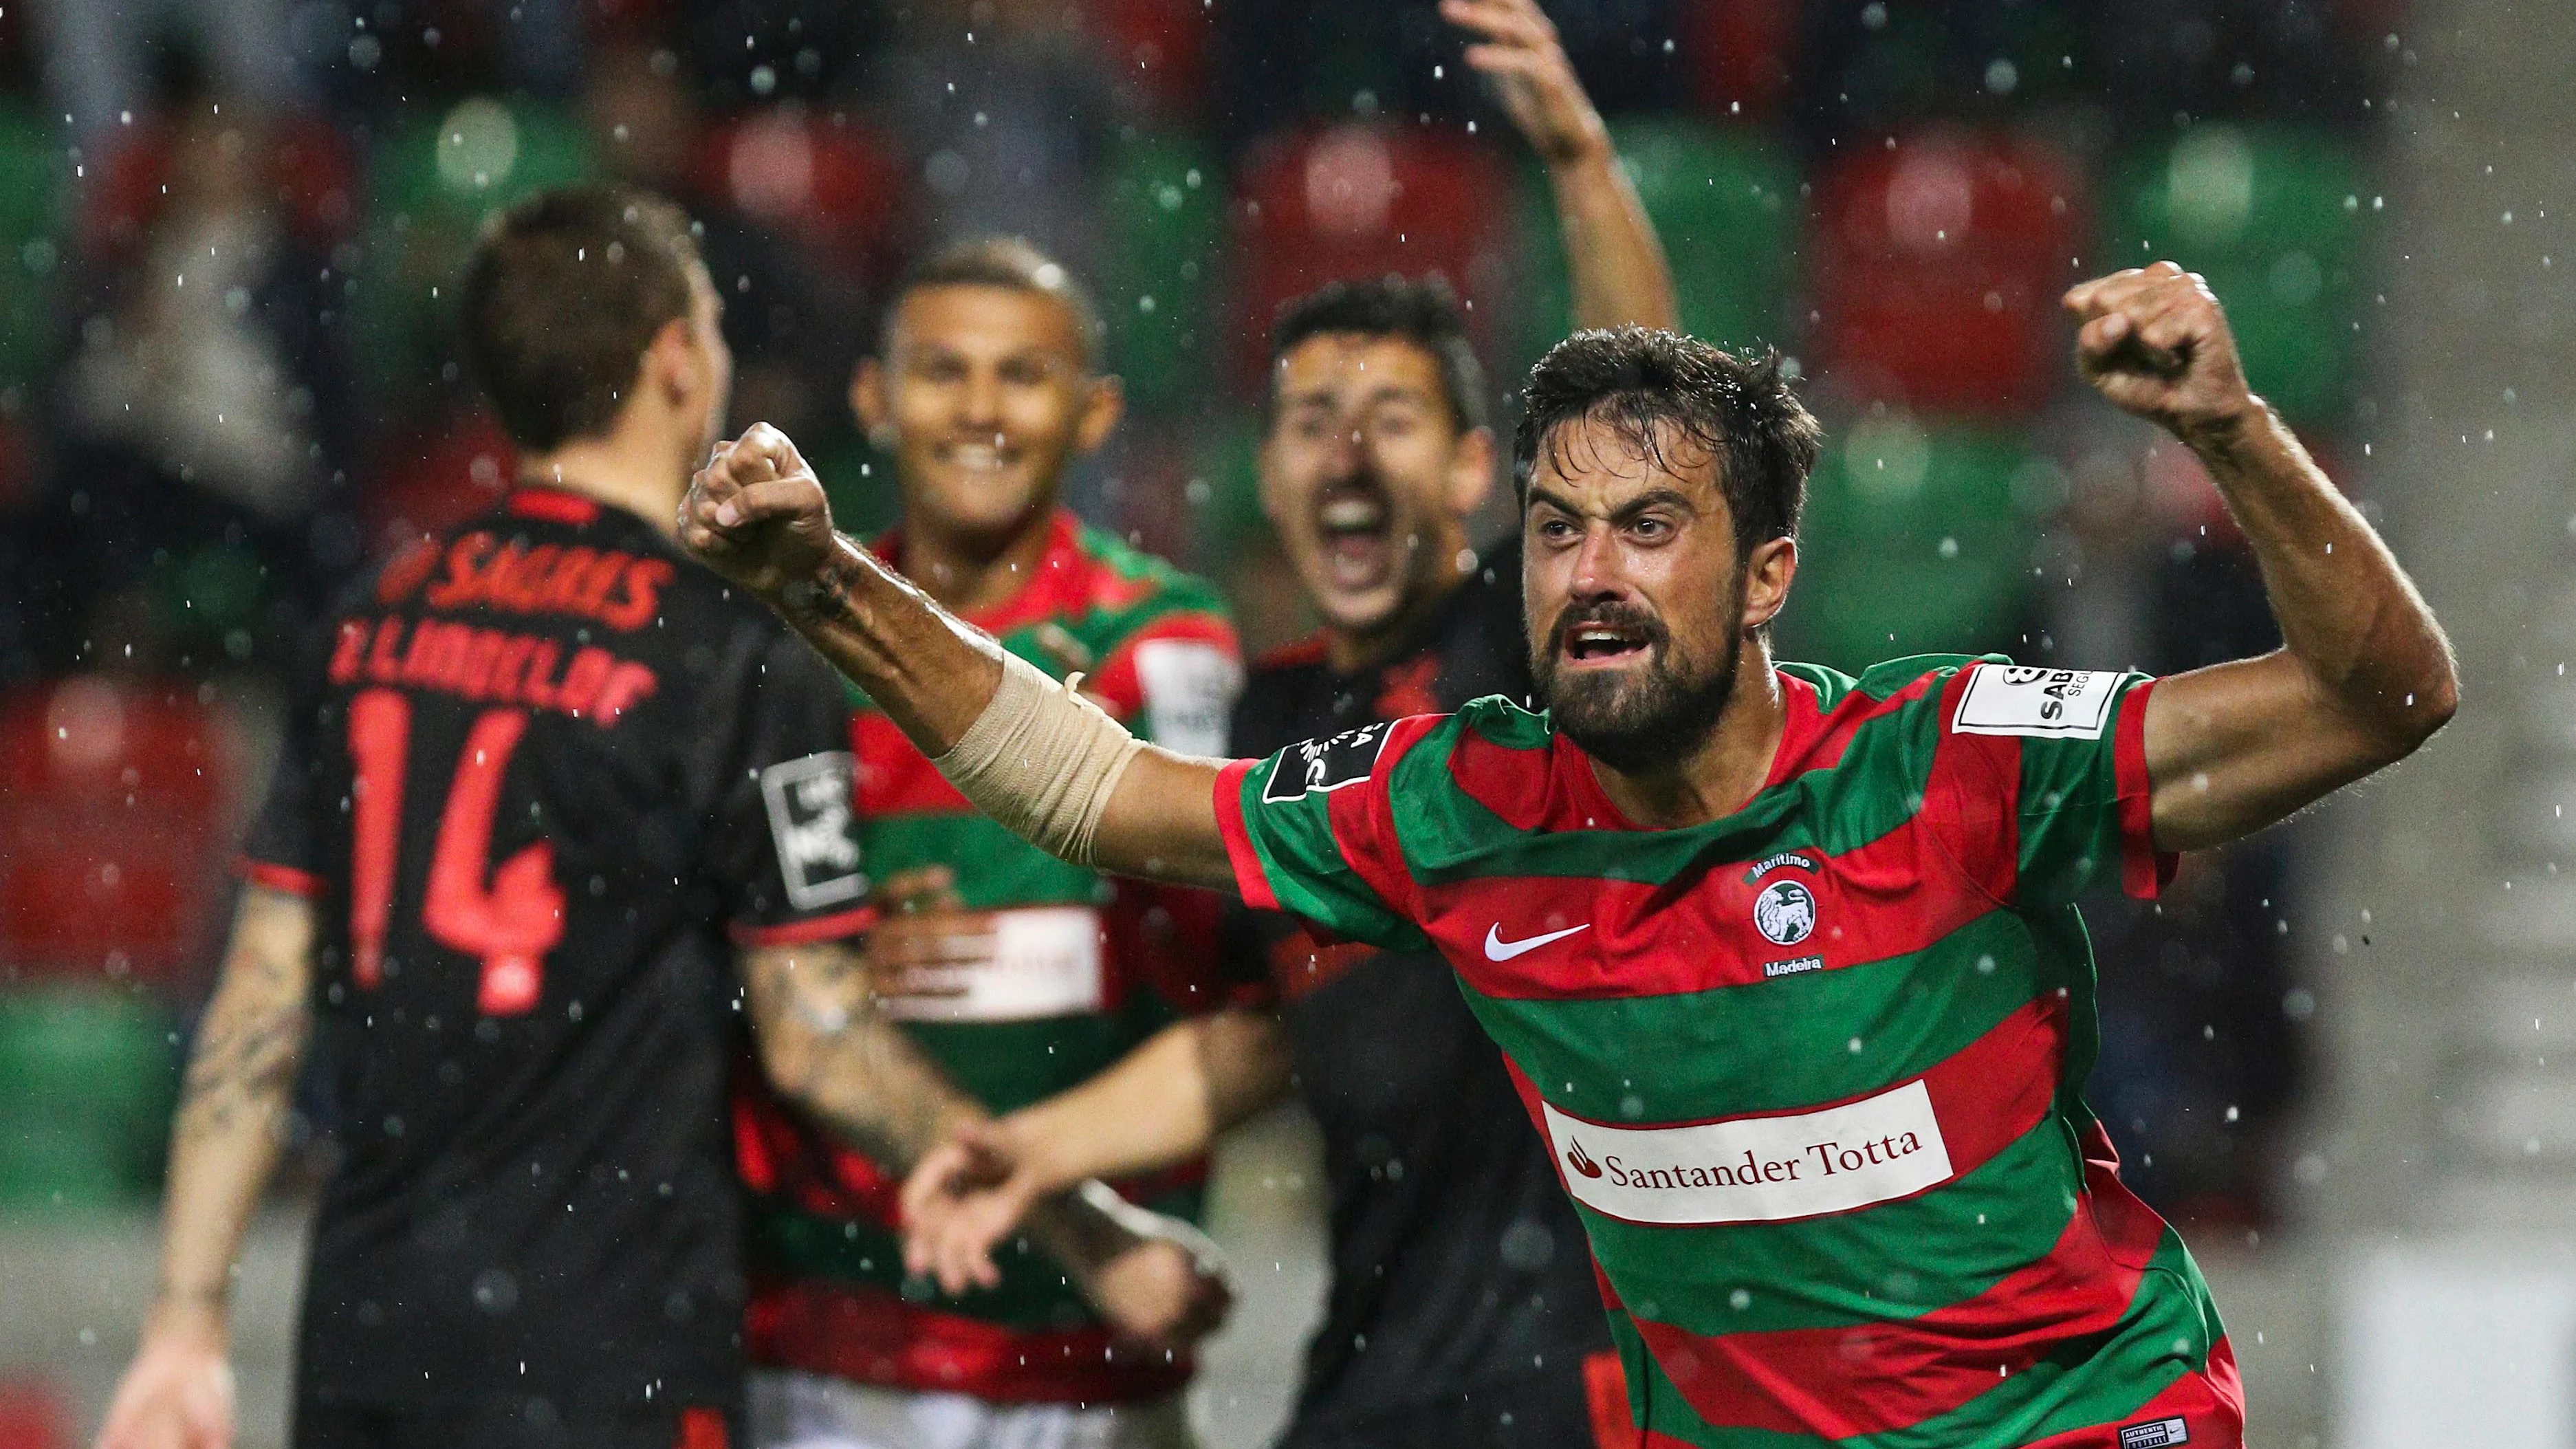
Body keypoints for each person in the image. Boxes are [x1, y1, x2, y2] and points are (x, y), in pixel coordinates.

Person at [674, 259, 2458, 1448]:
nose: (1589, 574)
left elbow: (2380, 697)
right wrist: (823, 584)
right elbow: (1107, 794)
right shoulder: (1457, 805)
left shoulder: (1949, 761)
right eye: (1554, 529)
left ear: (1766, 575)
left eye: (1649, 528)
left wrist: (2228, 430)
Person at [94, 186, 1212, 1449]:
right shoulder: (726, 651)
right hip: (605, 1340)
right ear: (677, 359)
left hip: (373, 1331)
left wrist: (185, 1322)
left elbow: (260, 993)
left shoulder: (372, 621)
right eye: (716, 330)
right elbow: (816, 1038)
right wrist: (1078, 1222)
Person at [893, 1, 1684, 1441]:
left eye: (1387, 417)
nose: (1342, 453)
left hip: (1567, 1367)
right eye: (1308, 418)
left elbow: (1640, 422)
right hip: (1373, 1362)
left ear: (1471, 475)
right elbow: (1256, 1036)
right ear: (1263, 467)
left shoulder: (1531, 649)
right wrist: (1030, 1154)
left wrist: (1577, 161)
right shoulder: (1264, 716)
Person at [726, 232, 1247, 1449]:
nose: (978, 408)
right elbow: (735, 978)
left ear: (1096, 412)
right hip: (837, 1332)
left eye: (1021, 374)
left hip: (1097, 1346)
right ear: (874, 398)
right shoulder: (782, 647)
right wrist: (826, 953)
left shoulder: (1163, 646)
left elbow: (1242, 998)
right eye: (942, 370)